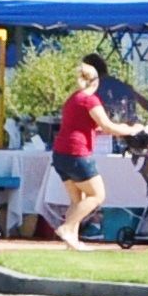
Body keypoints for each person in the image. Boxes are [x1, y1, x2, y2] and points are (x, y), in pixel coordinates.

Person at [47, 67, 108, 239]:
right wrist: (131, 129)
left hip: (61, 153)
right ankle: (67, 227)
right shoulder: (90, 100)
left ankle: (71, 239)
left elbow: (83, 124)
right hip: (77, 153)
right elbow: (107, 125)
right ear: (96, 81)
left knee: (77, 200)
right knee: (97, 195)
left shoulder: (74, 99)